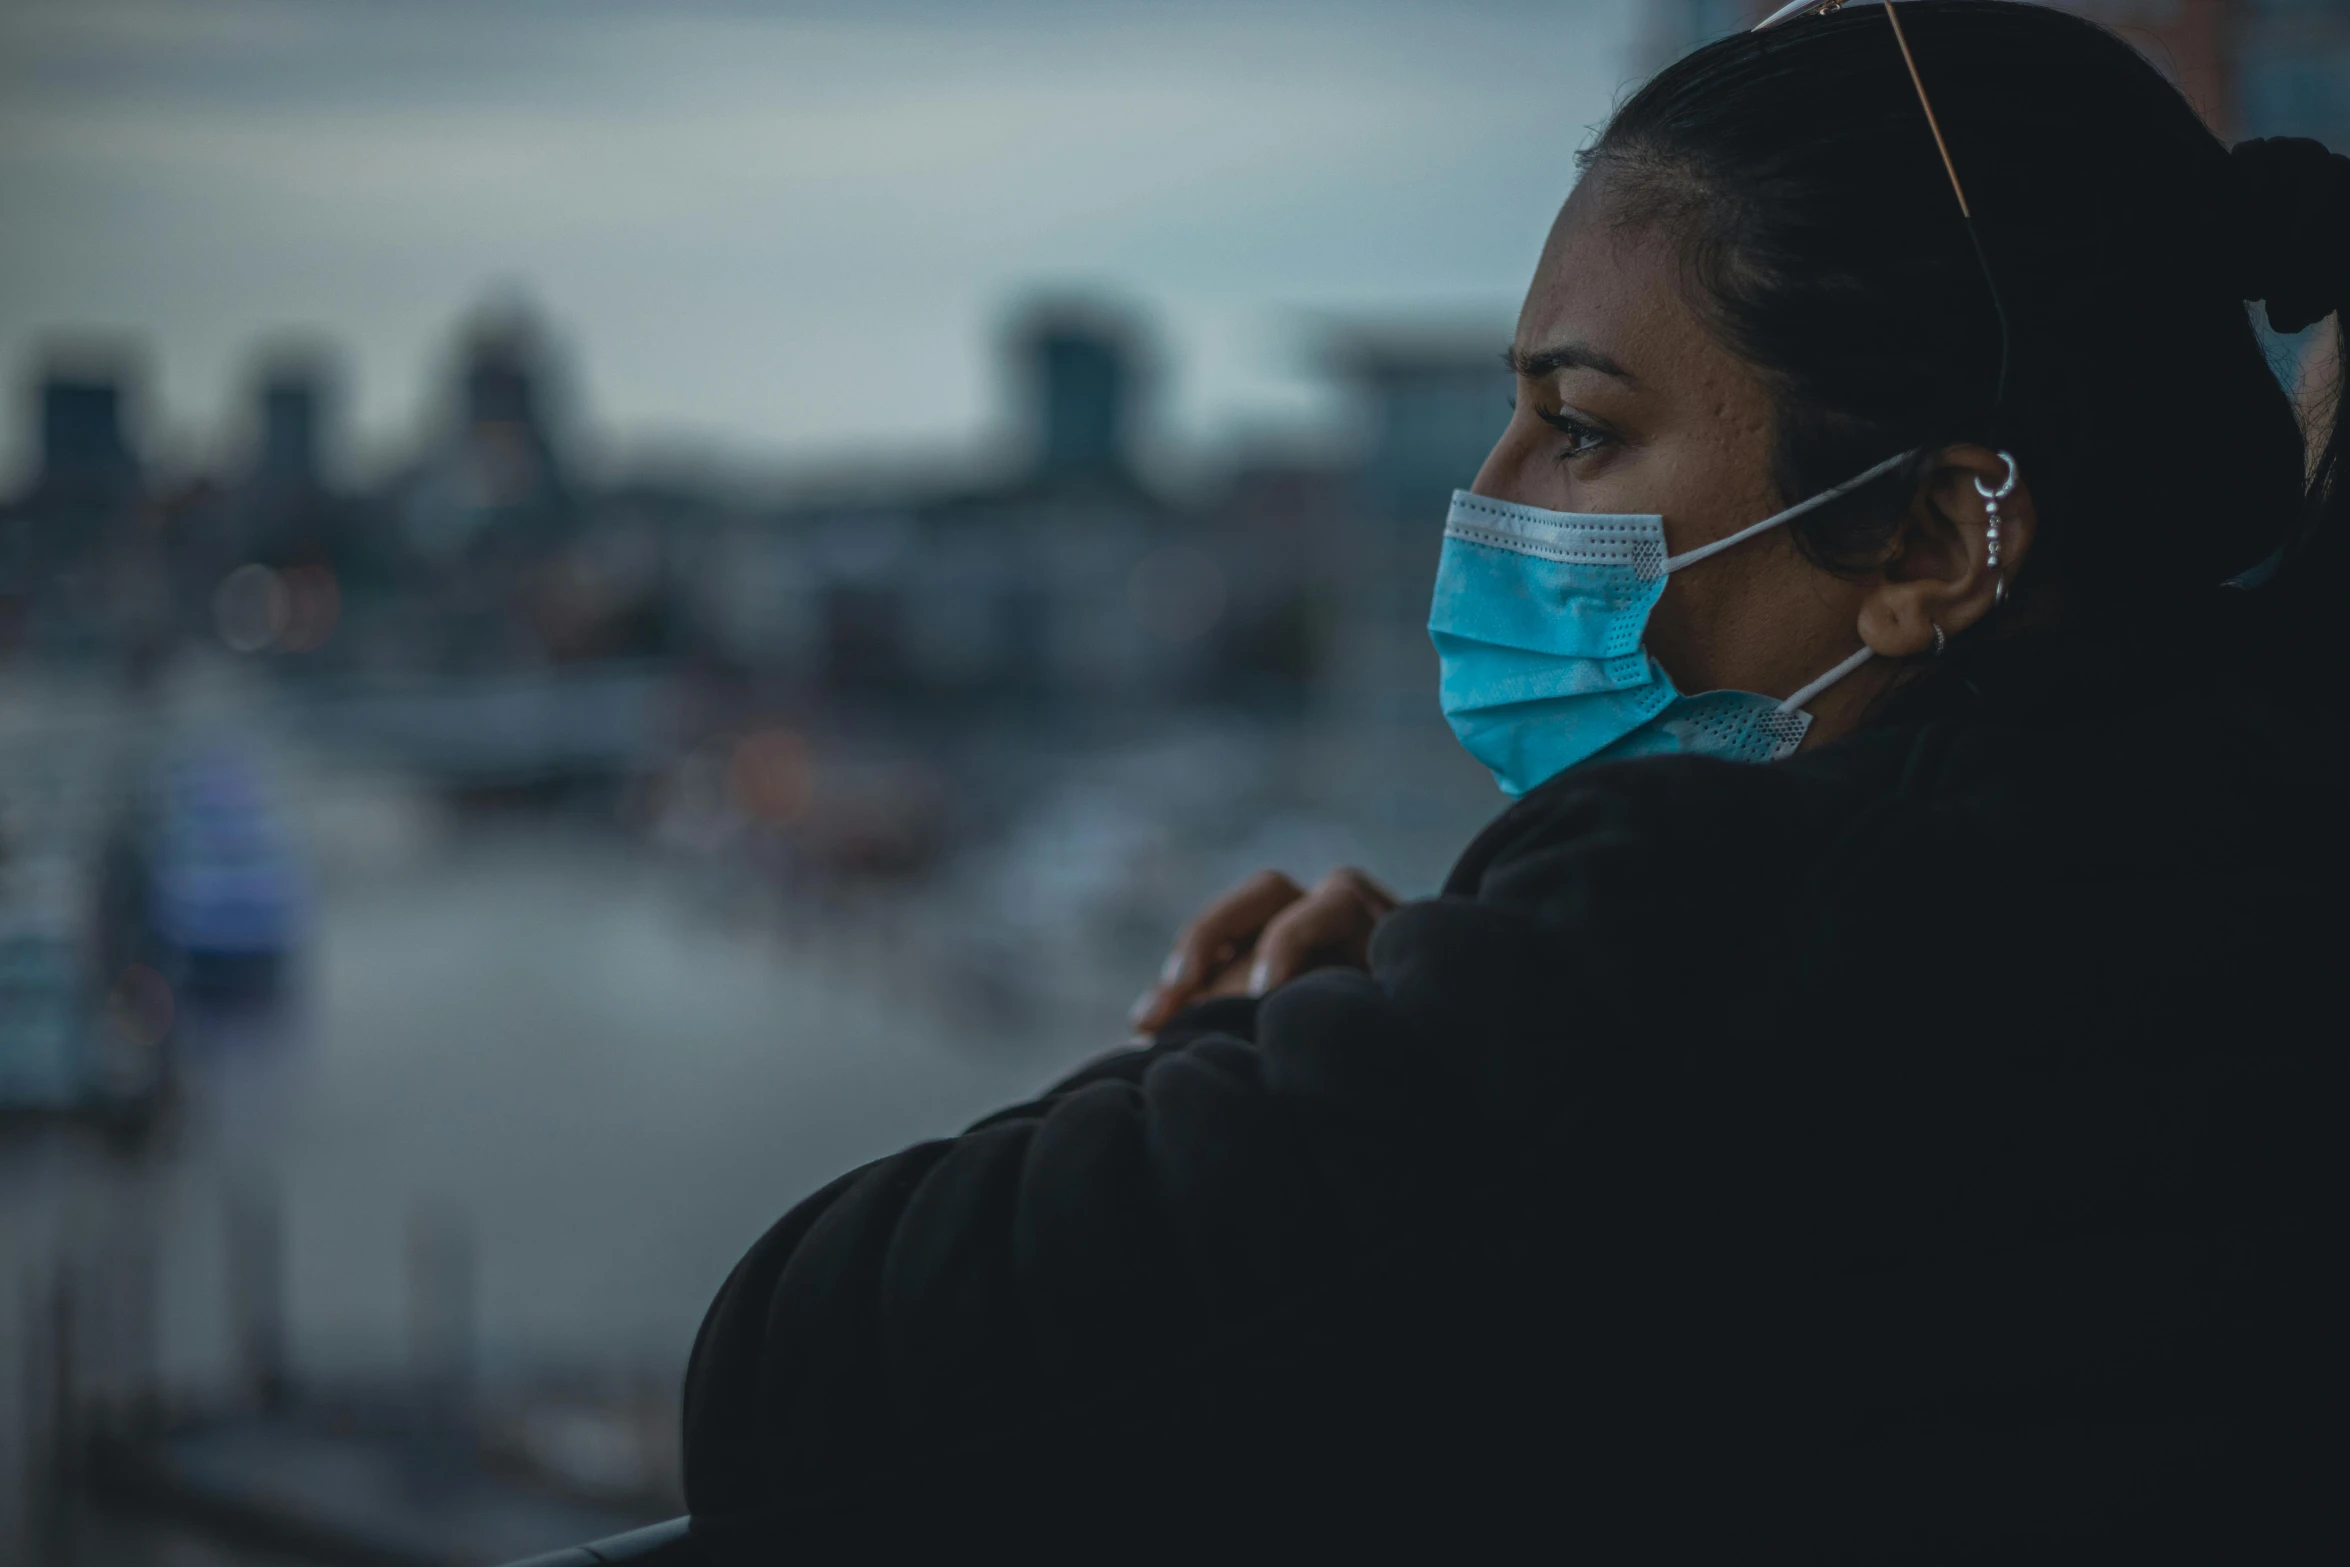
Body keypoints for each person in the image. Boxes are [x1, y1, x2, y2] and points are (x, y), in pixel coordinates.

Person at [680, 3, 2350, 1556]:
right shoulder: (2258, 822)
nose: (1486, 499)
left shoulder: (1695, 932)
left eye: (1580, 429)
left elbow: (801, 1377)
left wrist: (1265, 1029)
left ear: (1928, 538)